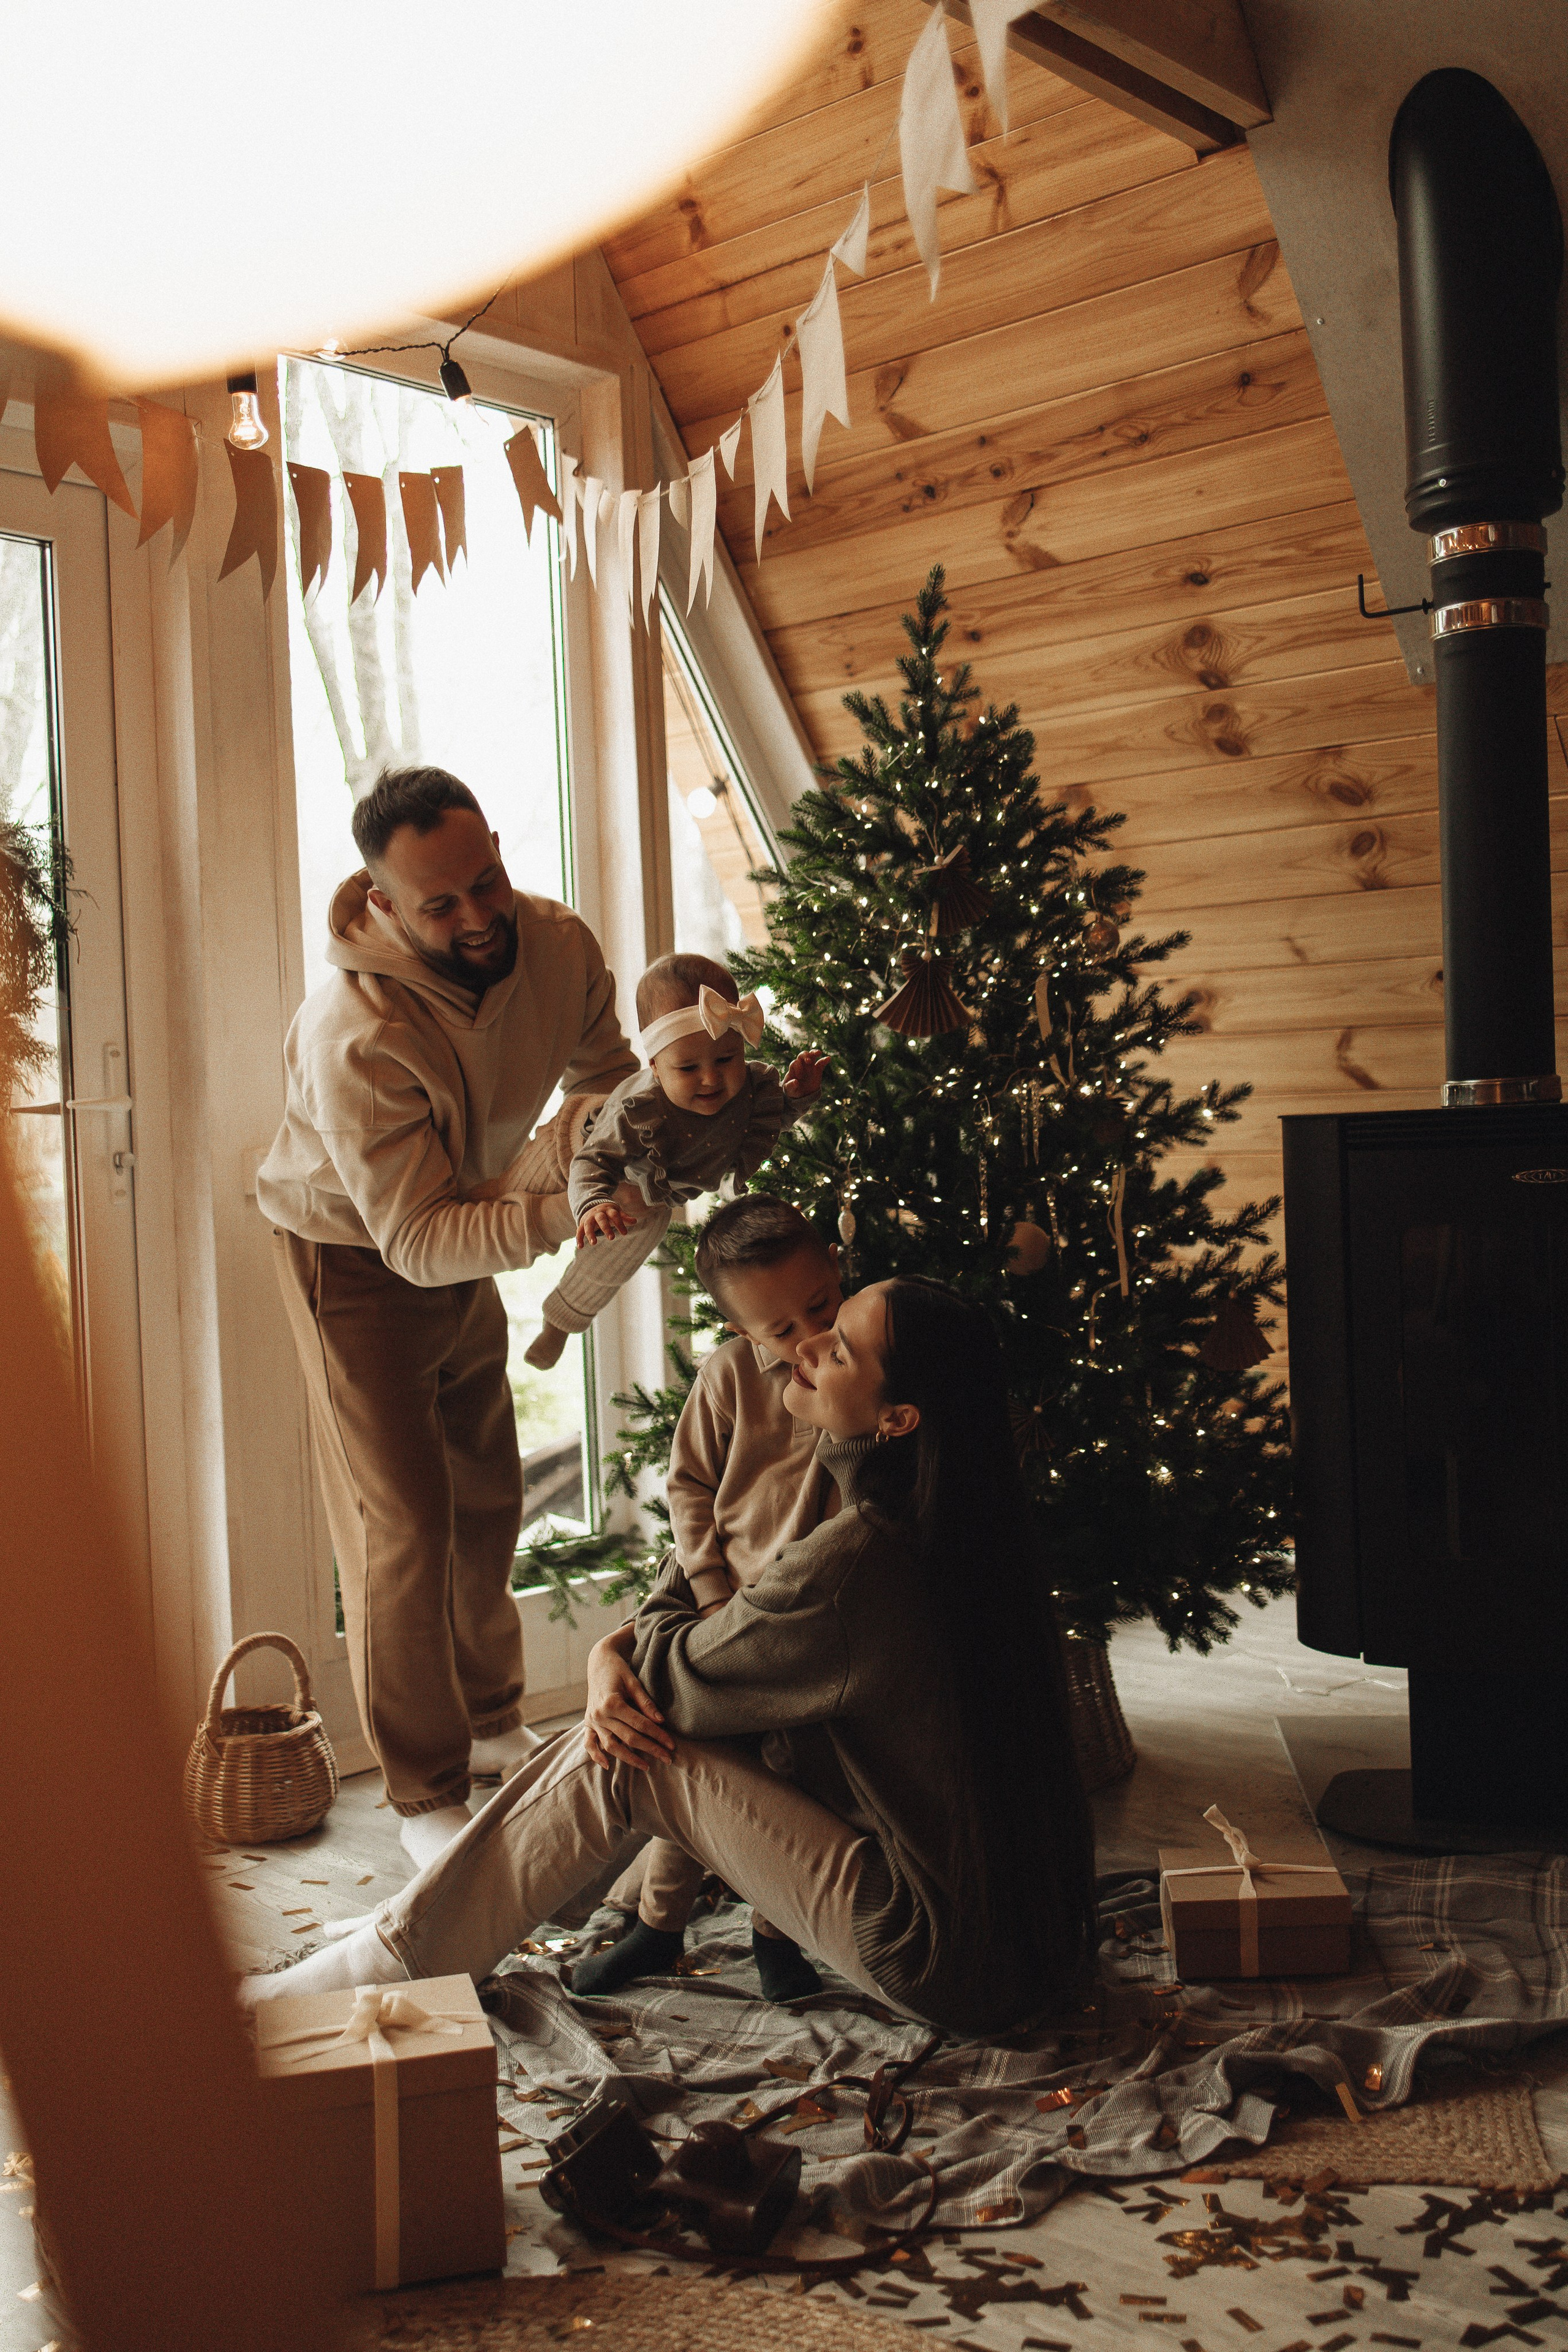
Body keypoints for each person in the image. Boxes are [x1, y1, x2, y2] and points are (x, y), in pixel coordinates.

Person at [244, 1279, 1098, 2039]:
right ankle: (456, 1917)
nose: (803, 1348)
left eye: (837, 1349)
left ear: (897, 1420)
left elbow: (670, 1686)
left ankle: (382, 1961)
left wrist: (613, 1651)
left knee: (628, 1756)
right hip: (1034, 1945)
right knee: (638, 1727)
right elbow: (716, 1636)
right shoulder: (959, 1519)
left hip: (941, 1956)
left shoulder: (862, 1561)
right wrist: (626, 1656)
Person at [258, 766, 642, 1869]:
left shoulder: (557, 943)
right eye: (441, 904)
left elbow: (610, 1080)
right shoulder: (355, 1032)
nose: (478, 917)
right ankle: (424, 1792)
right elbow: (415, 1243)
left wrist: (654, 1129)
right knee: (408, 1524)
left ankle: (489, 1721)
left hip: (466, 1210)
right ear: (382, 902)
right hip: (355, 1252)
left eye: (488, 882)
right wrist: (551, 1219)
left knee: (488, 1488)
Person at [573, 1193, 845, 2004]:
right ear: (740, 1331)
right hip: (722, 1607)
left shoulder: (862, 1367)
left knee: (791, 1774)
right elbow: (689, 1486)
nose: (809, 1338)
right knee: (690, 1754)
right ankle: (658, 1927)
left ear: (837, 1269)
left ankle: (776, 1935)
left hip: (808, 1619)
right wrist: (709, 1588)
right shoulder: (730, 1378)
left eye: (819, 1307)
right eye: (780, 1330)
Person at [523, 954, 827, 1369]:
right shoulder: (638, 1109)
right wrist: (593, 1203)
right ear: (655, 1066)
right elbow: (590, 1162)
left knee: (613, 1261)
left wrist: (799, 1095)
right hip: (577, 1142)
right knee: (516, 1185)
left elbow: (771, 1122)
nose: (711, 1078)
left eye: (726, 1059)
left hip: (650, 1195)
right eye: (687, 1067)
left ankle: (558, 1323)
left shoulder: (749, 1088)